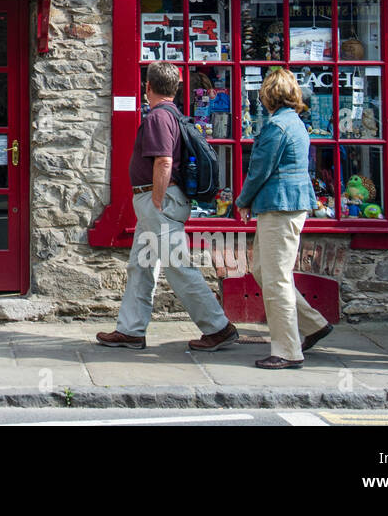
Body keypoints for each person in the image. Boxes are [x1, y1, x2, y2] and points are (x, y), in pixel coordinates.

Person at [97, 61, 238, 351]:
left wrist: (157, 200)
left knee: (177, 265)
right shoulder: (172, 114)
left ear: (147, 87)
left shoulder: (158, 118)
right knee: (141, 265)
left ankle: (218, 327)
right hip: (154, 200)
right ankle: (131, 329)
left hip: (157, 200)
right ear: (176, 88)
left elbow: (163, 160)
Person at [234, 68, 332, 369]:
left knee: (275, 277)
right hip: (287, 204)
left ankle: (287, 350)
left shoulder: (277, 127)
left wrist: (242, 201)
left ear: (268, 95)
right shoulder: (296, 123)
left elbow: (259, 170)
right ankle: (314, 324)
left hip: (280, 205)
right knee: (265, 271)